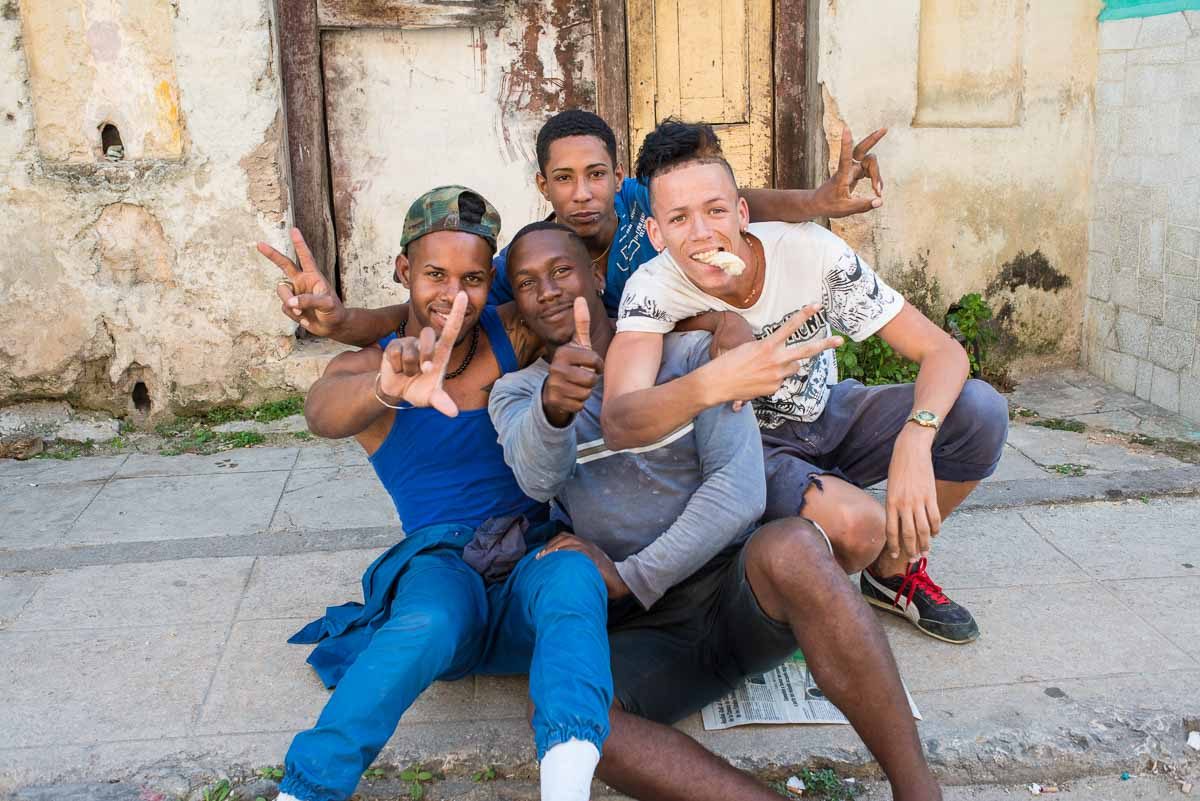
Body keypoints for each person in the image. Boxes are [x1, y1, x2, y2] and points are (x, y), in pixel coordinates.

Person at [488, 220, 944, 801]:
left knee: (795, 546)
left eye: (560, 271)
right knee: (570, 715)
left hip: (733, 591)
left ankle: (919, 792)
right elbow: (537, 480)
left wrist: (633, 576)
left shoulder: (692, 357)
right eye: (527, 283)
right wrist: (554, 412)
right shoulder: (517, 393)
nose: (547, 290)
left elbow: (740, 493)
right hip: (647, 632)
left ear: (596, 276)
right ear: (518, 306)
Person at [261, 186, 612, 801]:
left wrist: (715, 324)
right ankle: (308, 789)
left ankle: (567, 788)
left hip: (531, 555)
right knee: (429, 619)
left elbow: (574, 299)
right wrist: (386, 385)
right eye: (434, 275)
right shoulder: (371, 370)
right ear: (403, 271)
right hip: (443, 566)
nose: (455, 294)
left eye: (474, 277)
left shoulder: (510, 331)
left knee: (574, 579)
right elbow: (322, 411)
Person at [602, 119, 1009, 644]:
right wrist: (713, 383)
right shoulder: (653, 289)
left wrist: (917, 435)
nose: (702, 233)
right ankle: (793, 586)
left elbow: (943, 351)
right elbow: (619, 420)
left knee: (980, 413)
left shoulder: (810, 252)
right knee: (859, 526)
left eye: (716, 211)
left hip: (831, 412)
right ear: (656, 234)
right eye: (679, 219)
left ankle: (892, 571)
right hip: (757, 449)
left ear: (742, 213)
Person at [268, 109, 886, 345]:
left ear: (619, 175)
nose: (583, 193)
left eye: (596, 174)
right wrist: (343, 320)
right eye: (563, 178)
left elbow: (732, 197)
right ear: (543, 186)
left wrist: (817, 199)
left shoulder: (649, 203)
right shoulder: (531, 257)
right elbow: (453, 309)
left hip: (686, 355)